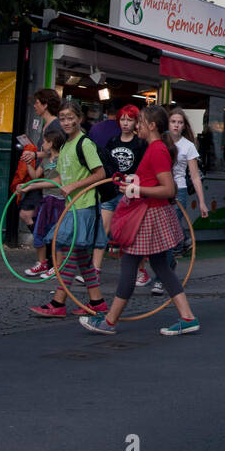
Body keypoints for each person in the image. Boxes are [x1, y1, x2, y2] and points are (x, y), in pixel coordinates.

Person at [80, 105, 201, 337]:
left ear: (152, 125)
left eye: (141, 122)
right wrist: (135, 184)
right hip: (150, 213)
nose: (137, 126)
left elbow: (167, 189)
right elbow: (160, 185)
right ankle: (187, 317)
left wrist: (136, 188)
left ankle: (110, 321)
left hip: (147, 215)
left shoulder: (156, 150)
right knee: (161, 267)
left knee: (130, 266)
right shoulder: (156, 148)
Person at [22, 101, 109, 318]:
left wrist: (74, 186)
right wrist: (30, 185)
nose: (67, 122)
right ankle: (97, 302)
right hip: (72, 207)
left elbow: (100, 174)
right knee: (80, 256)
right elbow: (61, 179)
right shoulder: (65, 147)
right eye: (63, 118)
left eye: (71, 117)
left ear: (79, 119)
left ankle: (58, 303)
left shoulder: (84, 144)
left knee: (69, 253)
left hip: (84, 206)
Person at [98, 104, 150, 285]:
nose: (125, 123)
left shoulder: (141, 144)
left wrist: (132, 181)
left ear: (136, 122)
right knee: (102, 230)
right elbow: (105, 165)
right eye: (122, 119)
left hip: (130, 194)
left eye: (129, 119)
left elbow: (144, 170)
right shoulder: (112, 142)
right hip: (111, 192)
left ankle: (140, 271)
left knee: (132, 234)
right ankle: (94, 271)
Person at [22, 89, 65, 279]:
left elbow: (52, 153)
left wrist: (35, 154)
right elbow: (41, 164)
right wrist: (30, 160)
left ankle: (53, 262)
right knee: (39, 224)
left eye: (37, 102)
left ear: (45, 104)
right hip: (45, 187)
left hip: (55, 193)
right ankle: (46, 260)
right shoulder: (47, 125)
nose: (35, 106)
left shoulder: (54, 126)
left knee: (54, 230)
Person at [166, 106, 209, 272]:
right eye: (173, 122)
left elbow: (195, 176)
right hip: (160, 189)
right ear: (167, 123)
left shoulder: (189, 146)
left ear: (184, 126)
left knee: (168, 231)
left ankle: (162, 277)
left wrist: (202, 202)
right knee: (160, 232)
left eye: (180, 122)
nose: (176, 125)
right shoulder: (160, 141)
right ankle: (167, 266)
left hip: (179, 191)